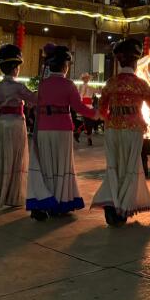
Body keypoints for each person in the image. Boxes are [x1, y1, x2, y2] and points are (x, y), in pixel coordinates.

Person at [91, 38, 150, 226]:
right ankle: (122, 207)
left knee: (114, 166)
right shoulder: (141, 84)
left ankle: (112, 203)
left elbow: (101, 111)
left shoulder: (110, 83)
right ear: (135, 62)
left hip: (112, 130)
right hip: (133, 130)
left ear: (119, 61)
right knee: (130, 167)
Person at [26, 44, 97, 221]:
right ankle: (60, 201)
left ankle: (44, 200)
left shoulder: (43, 84)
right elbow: (79, 107)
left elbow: (34, 103)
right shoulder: (68, 84)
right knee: (62, 165)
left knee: (46, 166)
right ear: (65, 66)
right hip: (63, 128)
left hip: (43, 128)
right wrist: (96, 114)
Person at [0, 45, 37, 209]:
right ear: (15, 68)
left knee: (3, 157)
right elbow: (34, 100)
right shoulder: (18, 87)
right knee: (16, 159)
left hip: (2, 123)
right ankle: (12, 195)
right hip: (16, 123)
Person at [75, 72, 97, 146]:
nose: (87, 79)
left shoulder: (88, 86)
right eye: (85, 78)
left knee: (89, 122)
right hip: (86, 106)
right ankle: (88, 138)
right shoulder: (83, 86)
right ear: (83, 79)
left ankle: (79, 134)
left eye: (87, 78)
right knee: (89, 122)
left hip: (88, 106)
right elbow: (81, 96)